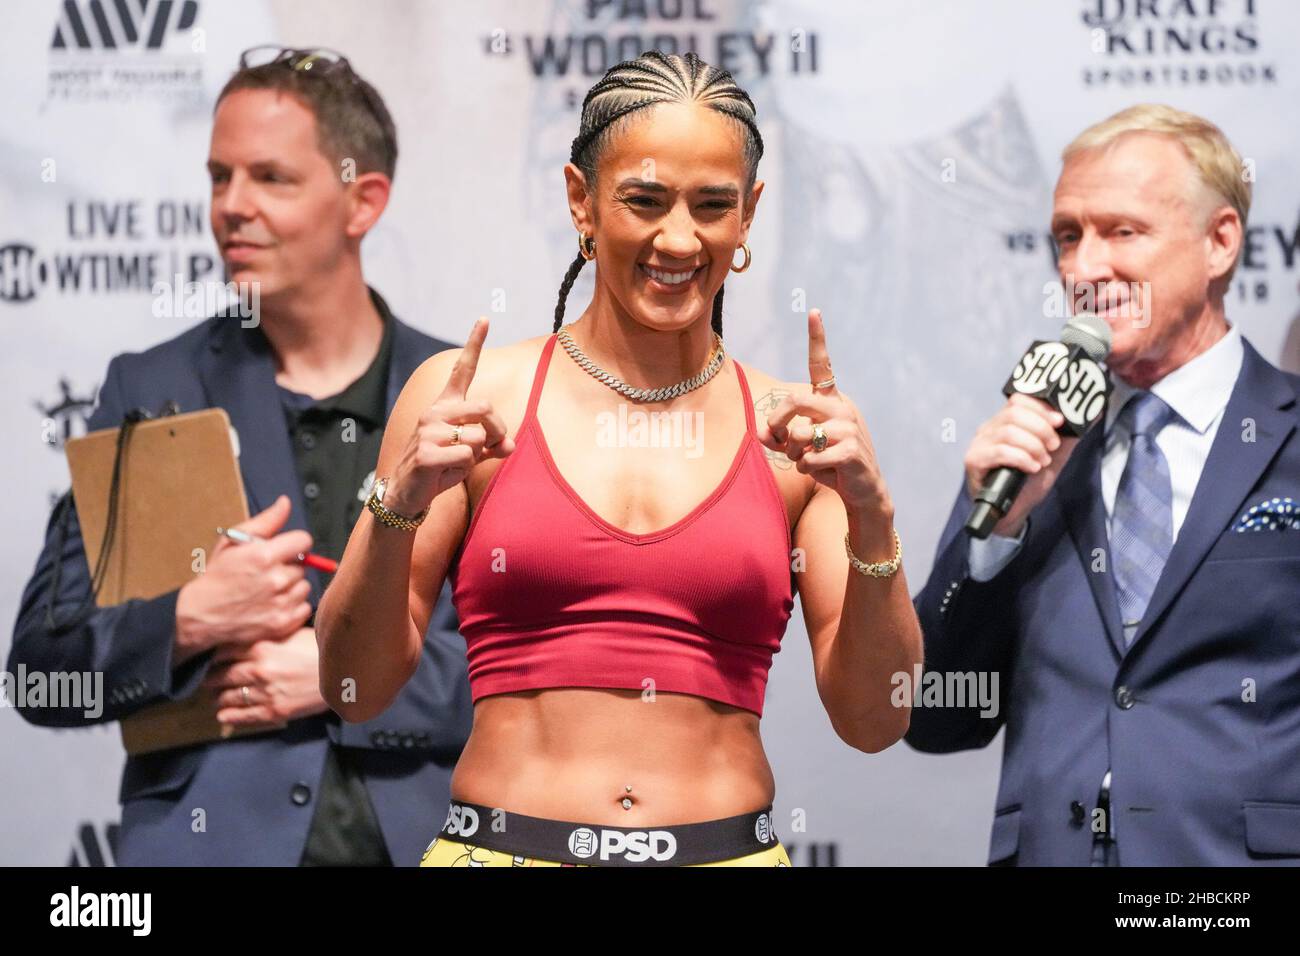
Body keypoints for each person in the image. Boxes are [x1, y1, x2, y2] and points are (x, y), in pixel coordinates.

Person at [316, 50, 924, 868]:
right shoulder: (471, 400)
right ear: (581, 200)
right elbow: (353, 686)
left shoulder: (799, 434)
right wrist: (398, 503)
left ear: (748, 215)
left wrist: (874, 522)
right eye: (644, 199)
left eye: (713, 205)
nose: (680, 237)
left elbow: (875, 720)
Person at [9, 47, 473, 867]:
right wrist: (186, 621)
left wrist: (342, 682)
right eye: (218, 177)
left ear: (363, 201)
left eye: (271, 178)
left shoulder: (466, 395)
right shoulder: (148, 388)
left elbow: (545, 668)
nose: (231, 207)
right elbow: (40, 672)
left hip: (435, 844)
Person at [907, 104, 1300, 866]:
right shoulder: (1027, 447)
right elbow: (932, 716)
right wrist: (995, 541)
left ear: (1220, 242)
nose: (1083, 270)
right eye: (1068, 236)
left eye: (1122, 232)